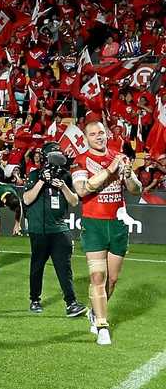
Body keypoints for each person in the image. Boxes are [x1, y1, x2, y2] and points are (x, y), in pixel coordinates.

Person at [71, 119, 142, 345]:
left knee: (111, 280)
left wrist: (128, 174)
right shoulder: (80, 160)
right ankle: (102, 325)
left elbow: (135, 190)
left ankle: (95, 310)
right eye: (93, 134)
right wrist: (110, 170)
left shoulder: (119, 156)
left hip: (117, 225)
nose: (99, 137)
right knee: (97, 277)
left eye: (101, 133)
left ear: (106, 134)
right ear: (86, 138)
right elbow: (83, 190)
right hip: (94, 225)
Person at [22, 142, 86, 317]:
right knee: (37, 266)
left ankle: (71, 303)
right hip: (39, 229)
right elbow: (27, 199)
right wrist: (42, 180)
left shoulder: (66, 176)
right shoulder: (35, 175)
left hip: (59, 228)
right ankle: (35, 299)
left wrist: (63, 186)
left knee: (64, 267)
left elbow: (74, 202)